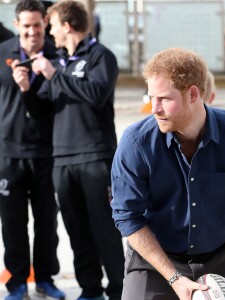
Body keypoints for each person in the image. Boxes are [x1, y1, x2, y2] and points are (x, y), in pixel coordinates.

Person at [111, 48, 225, 300]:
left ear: (193, 94)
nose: (153, 108)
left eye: (164, 99)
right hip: (154, 261)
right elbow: (127, 217)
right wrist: (175, 279)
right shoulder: (136, 143)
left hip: (219, 257)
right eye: (150, 97)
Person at [22, 1, 125, 299]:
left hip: (96, 156)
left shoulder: (100, 56)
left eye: (51, 25)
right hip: (61, 159)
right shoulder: (60, 62)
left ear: (66, 25)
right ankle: (89, 288)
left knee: (105, 229)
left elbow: (95, 94)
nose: (49, 32)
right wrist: (27, 89)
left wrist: (54, 74)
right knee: (77, 230)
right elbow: (42, 110)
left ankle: (118, 289)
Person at [0, 1, 65, 300]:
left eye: (37, 25)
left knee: (46, 222)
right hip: (8, 154)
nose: (32, 31)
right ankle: (15, 283)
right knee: (12, 223)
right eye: (26, 26)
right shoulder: (2, 54)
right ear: (16, 25)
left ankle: (45, 279)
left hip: (46, 152)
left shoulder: (57, 56)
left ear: (45, 25)